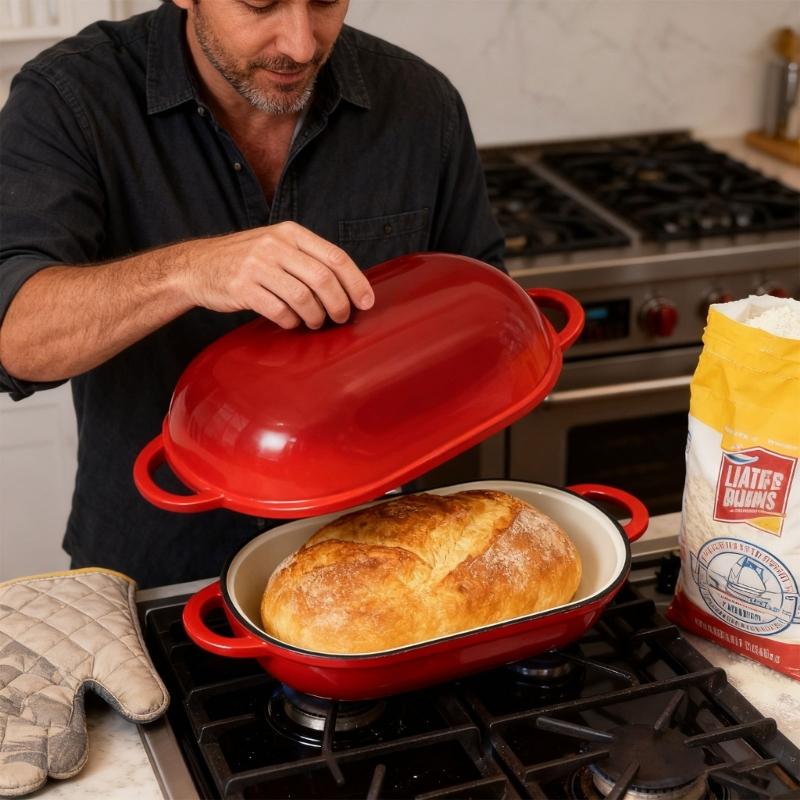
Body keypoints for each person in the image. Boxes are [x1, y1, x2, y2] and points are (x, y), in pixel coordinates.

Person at [0, 0, 505, 588]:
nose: (299, 44)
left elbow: (483, 319)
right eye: (259, 3)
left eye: (324, 1)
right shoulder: (71, 97)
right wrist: (187, 270)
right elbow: (15, 338)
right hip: (155, 571)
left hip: (381, 571)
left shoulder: (421, 102)